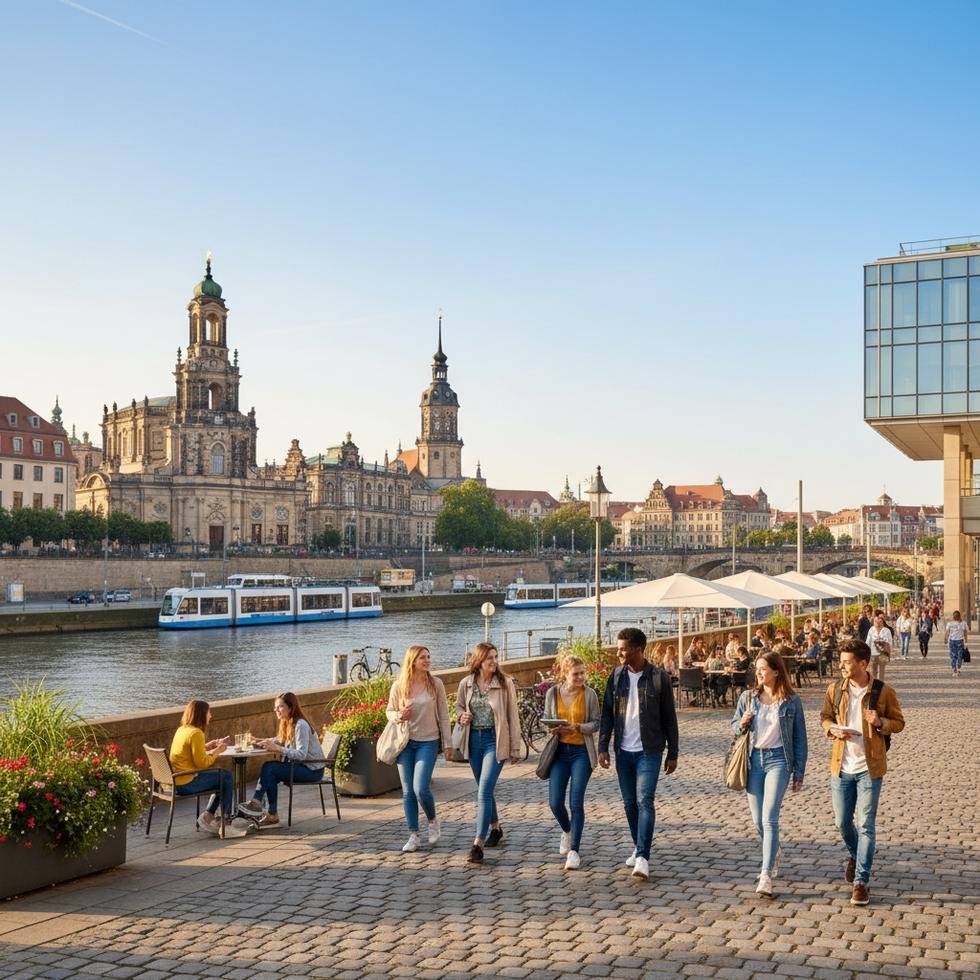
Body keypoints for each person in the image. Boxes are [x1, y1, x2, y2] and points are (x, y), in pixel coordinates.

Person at [820, 638, 905, 906]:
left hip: (870, 767)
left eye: (847, 662)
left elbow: (899, 722)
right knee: (842, 822)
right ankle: (856, 855)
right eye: (841, 662)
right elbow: (825, 717)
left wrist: (880, 722)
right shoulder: (835, 690)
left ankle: (861, 882)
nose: (842, 666)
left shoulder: (883, 691)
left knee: (866, 824)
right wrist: (833, 729)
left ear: (863, 663)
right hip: (841, 765)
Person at [598, 627, 679, 882]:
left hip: (650, 750)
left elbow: (670, 719)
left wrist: (673, 752)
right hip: (623, 751)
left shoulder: (658, 678)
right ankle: (638, 846)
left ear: (638, 649)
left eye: (623, 648)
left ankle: (643, 856)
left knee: (645, 800)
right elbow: (607, 714)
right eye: (618, 647)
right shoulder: (616, 676)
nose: (619, 652)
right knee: (629, 803)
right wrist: (602, 746)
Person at [731, 652, 807, 897]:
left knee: (770, 818)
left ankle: (765, 875)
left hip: (779, 761)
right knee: (757, 821)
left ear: (776, 671)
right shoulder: (748, 698)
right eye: (757, 668)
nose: (759, 673)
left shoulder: (791, 701)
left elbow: (800, 739)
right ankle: (774, 850)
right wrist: (742, 722)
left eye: (764, 669)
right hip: (754, 760)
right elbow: (734, 726)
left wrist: (799, 772)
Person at [455, 642, 521, 865]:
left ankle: (477, 844)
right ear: (478, 661)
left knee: (483, 790)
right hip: (474, 740)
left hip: (495, 740)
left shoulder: (504, 683)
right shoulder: (466, 684)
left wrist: (514, 748)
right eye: (489, 658)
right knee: (485, 787)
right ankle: (496, 828)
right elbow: (459, 708)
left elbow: (513, 716)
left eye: (495, 657)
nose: (494, 661)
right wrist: (463, 716)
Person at [385, 645, 452, 851]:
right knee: (407, 792)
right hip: (405, 742)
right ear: (412, 661)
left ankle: (433, 821)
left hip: (428, 742)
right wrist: (399, 715)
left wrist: (447, 743)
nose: (427, 660)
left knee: (420, 788)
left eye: (428, 657)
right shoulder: (399, 686)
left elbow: (443, 714)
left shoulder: (436, 684)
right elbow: (389, 711)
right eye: (423, 657)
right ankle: (413, 835)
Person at [543, 654, 600, 870]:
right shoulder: (552, 693)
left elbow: (596, 723)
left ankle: (574, 850)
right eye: (575, 673)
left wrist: (578, 728)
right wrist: (552, 728)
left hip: (581, 753)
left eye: (582, 673)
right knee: (555, 802)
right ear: (564, 673)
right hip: (559, 752)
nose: (580, 677)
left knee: (576, 802)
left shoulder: (590, 695)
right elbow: (546, 719)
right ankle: (567, 830)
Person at [238, 692, 325, 827]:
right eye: (275, 707)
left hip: (312, 770)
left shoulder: (300, 725)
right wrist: (260, 741)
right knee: (270, 772)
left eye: (279, 707)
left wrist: (278, 749)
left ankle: (256, 803)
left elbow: (301, 754)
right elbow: (280, 740)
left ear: (290, 707)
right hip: (301, 767)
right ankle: (272, 815)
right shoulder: (287, 722)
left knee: (270, 768)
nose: (276, 710)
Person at [169, 699, 246, 838]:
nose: (210, 715)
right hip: (186, 783)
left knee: (222, 779)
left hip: (175, 781)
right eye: (209, 712)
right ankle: (225, 824)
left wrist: (207, 746)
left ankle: (208, 817)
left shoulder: (182, 730)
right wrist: (218, 750)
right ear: (201, 714)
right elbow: (202, 764)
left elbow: (189, 753)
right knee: (226, 777)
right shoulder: (197, 733)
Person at [866, 610, 892, 682]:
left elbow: (890, 642)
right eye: (875, 621)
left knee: (882, 671)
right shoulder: (871, 630)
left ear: (882, 622)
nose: (877, 623)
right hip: (873, 653)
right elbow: (868, 641)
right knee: (872, 671)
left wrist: (882, 643)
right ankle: (873, 685)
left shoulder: (886, 631)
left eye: (879, 621)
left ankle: (880, 686)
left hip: (882, 654)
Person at [944, 610, 969, 677]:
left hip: (952, 642)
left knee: (953, 656)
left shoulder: (950, 623)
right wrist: (966, 642)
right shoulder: (963, 623)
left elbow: (947, 632)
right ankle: (957, 669)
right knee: (959, 656)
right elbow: (965, 633)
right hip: (959, 642)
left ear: (953, 616)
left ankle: (955, 669)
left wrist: (945, 639)